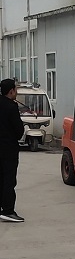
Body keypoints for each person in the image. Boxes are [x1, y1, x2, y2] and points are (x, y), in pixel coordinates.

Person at [0, 78, 25, 222]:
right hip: (8, 149)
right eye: (16, 89)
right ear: (11, 91)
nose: (17, 92)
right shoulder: (11, 106)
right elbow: (18, 130)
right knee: (9, 180)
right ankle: (8, 210)